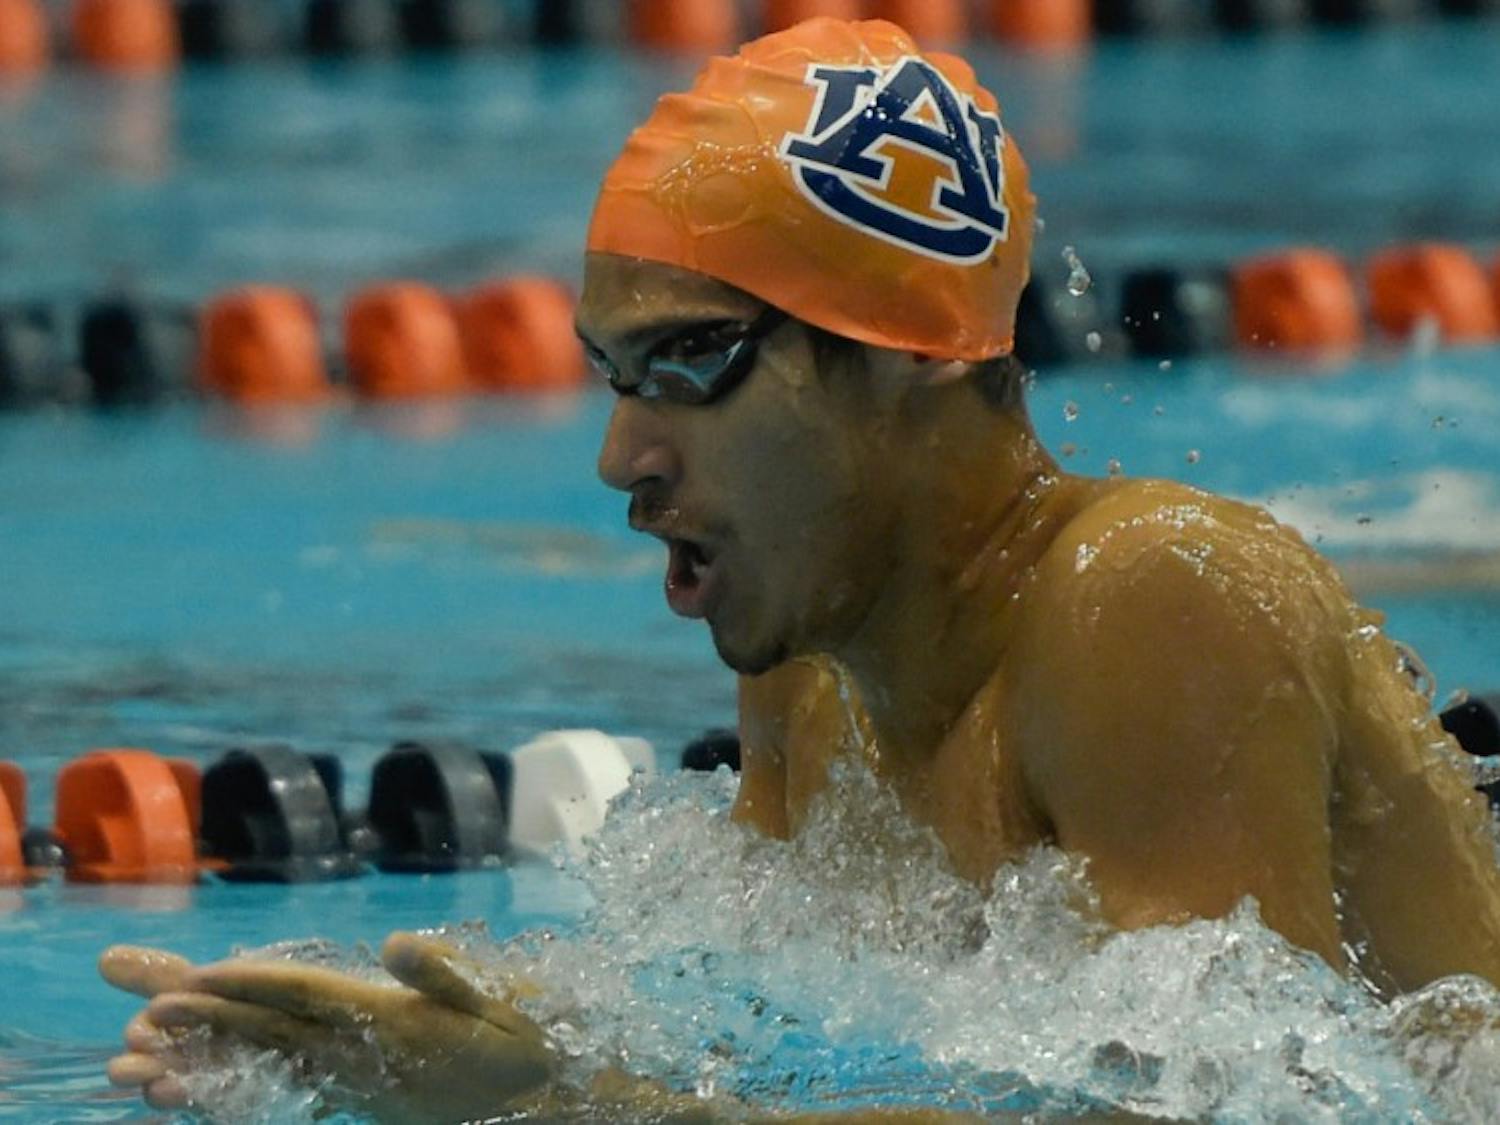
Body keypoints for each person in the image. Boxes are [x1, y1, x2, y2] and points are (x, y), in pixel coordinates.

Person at [101, 16, 1500, 1122]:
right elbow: (724, 1017)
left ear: (901, 352)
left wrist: (580, 1109)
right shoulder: (819, 675)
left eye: (688, 364)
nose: (621, 456)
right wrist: (387, 1030)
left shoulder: (1156, 595)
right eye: (611, 376)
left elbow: (1245, 1114)